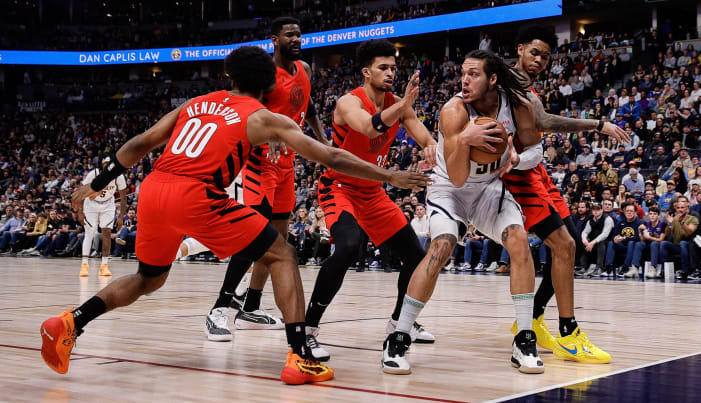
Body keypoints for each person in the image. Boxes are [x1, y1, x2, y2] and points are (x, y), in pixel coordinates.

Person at [39, 46, 429, 385]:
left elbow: (142, 143)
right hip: (196, 194)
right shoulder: (262, 116)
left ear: (230, 76)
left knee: (148, 278)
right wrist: (389, 174)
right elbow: (329, 155)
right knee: (281, 254)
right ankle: (300, 357)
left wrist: (97, 182)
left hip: (155, 189)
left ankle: (73, 321)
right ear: (269, 85)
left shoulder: (194, 104)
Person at [381, 49, 546, 375]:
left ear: (493, 79)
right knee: (441, 248)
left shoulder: (519, 106)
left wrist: (516, 160)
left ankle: (524, 338)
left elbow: (536, 149)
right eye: (463, 74)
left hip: (488, 190)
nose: (465, 80)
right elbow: (456, 176)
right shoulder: (453, 110)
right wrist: (464, 139)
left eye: (474, 74)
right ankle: (398, 337)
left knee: (519, 241)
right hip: (450, 189)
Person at [189, 17, 335, 339]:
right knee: (252, 235)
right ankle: (219, 308)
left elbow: (307, 106)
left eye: (299, 34)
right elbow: (248, 109)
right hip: (258, 162)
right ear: (274, 39)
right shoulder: (266, 75)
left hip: (286, 164)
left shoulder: (305, 70)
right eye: (290, 35)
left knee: (278, 240)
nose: (297, 39)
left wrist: (321, 138)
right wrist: (267, 134)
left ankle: (251, 306)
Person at [302, 40, 439, 362]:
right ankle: (307, 331)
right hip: (339, 187)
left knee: (416, 257)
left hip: (373, 192)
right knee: (348, 248)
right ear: (366, 72)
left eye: (393, 67)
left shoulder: (398, 103)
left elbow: (422, 134)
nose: (391, 72)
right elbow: (367, 126)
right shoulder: (348, 102)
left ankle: (399, 323)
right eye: (383, 68)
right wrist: (404, 103)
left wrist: (430, 145)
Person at [503, 25, 619, 363]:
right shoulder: (510, 82)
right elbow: (543, 120)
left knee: (570, 248)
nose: (539, 60)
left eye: (545, 57)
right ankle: (566, 332)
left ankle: (536, 318)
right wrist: (597, 124)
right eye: (534, 53)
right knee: (564, 245)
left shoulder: (526, 85)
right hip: (517, 174)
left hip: (536, 171)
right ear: (520, 49)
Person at [78, 156, 127, 277]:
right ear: (101, 164)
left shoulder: (118, 176)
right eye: (104, 164)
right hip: (91, 204)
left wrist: (121, 216)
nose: (106, 166)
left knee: (106, 232)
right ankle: (84, 264)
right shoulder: (93, 174)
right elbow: (82, 191)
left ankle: (104, 265)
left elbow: (123, 197)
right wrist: (80, 211)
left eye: (108, 164)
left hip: (108, 204)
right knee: (90, 232)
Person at [659, 197, 698, 280]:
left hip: (689, 246)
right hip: (677, 246)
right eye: (678, 208)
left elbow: (689, 232)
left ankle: (685, 271)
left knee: (683, 243)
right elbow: (667, 234)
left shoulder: (693, 218)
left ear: (687, 209)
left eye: (682, 208)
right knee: (664, 244)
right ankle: (664, 270)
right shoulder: (674, 219)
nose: (680, 210)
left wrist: (681, 222)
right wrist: (669, 224)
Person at [604, 202, 644, 277]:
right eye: (627, 211)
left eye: (631, 211)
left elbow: (637, 237)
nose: (629, 213)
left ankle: (625, 267)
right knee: (611, 243)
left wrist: (624, 238)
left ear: (635, 212)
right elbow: (614, 234)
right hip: (622, 244)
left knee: (631, 242)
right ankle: (608, 268)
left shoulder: (639, 223)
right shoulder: (620, 223)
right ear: (624, 212)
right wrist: (615, 239)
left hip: (633, 246)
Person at [579, 203, 614, 277]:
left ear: (601, 210)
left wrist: (593, 242)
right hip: (594, 242)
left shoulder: (608, 219)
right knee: (583, 242)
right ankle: (582, 267)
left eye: (597, 209)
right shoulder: (590, 219)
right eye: (594, 209)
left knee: (601, 243)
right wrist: (584, 239)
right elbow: (585, 231)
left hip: (607, 242)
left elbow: (605, 234)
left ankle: (599, 268)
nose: (595, 211)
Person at [639, 206, 668, 278]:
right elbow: (643, 240)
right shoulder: (646, 224)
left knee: (654, 244)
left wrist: (649, 237)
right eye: (650, 214)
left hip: (659, 245)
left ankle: (653, 268)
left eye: (654, 214)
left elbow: (661, 239)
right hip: (648, 244)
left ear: (658, 215)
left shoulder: (663, 224)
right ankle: (634, 267)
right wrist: (640, 231)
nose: (652, 216)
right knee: (639, 244)